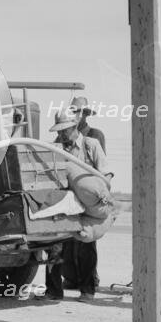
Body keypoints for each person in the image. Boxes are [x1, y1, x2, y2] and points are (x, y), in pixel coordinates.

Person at [40, 109, 113, 302]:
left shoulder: (91, 145)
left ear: (74, 127)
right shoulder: (56, 148)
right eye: (59, 131)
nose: (61, 134)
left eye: (64, 130)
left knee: (86, 247)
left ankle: (87, 290)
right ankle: (53, 291)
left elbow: (106, 173)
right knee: (54, 246)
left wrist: (100, 193)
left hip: (87, 207)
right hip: (65, 204)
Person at [62, 96, 106, 290]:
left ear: (86, 114)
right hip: (69, 196)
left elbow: (102, 168)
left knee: (87, 241)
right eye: (74, 112)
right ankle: (71, 278)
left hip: (87, 194)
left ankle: (89, 281)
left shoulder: (94, 137)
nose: (77, 116)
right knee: (67, 241)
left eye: (80, 112)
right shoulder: (62, 137)